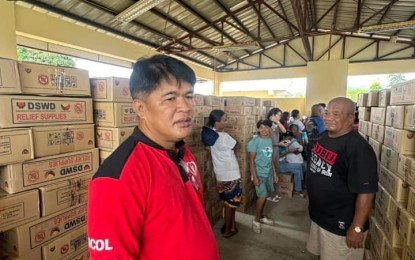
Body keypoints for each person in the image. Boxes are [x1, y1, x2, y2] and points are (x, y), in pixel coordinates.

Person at [87, 55, 219, 259]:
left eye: (189, 96)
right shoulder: (117, 178)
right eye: (170, 98)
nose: (185, 107)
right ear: (140, 108)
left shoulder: (181, 151)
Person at [306, 97, 378, 260]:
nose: (329, 117)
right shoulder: (325, 136)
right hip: (320, 218)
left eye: (336, 114)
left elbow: (366, 192)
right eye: (327, 113)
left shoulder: (358, 148)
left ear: (351, 119)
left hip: (341, 226)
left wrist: (357, 228)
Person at [201, 109, 242, 238]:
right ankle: (228, 230)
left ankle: (231, 225)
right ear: (217, 122)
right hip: (231, 175)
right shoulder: (223, 137)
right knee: (231, 204)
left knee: (227, 202)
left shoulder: (211, 135)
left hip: (220, 174)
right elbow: (238, 145)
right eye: (224, 120)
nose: (226, 122)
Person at [247, 119, 277, 234]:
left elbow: (269, 158)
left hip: (268, 172)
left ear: (270, 128)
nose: (264, 130)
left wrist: (274, 172)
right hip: (259, 173)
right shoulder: (254, 142)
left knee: (264, 197)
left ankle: (261, 216)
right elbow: (251, 161)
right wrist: (254, 177)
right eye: (261, 127)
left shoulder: (269, 140)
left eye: (266, 127)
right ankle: (256, 220)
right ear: (258, 129)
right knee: (262, 196)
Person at [266, 108, 287, 202]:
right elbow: (265, 142)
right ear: (272, 114)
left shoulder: (275, 124)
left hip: (275, 150)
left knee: (276, 172)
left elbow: (284, 131)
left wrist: (278, 122)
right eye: (278, 115)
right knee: (270, 172)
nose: (280, 117)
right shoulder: (266, 125)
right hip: (268, 151)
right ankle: (269, 195)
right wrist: (279, 144)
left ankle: (274, 193)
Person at [279, 131, 305, 198]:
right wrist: (287, 152)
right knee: (299, 166)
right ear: (283, 137)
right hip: (280, 165)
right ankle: (299, 188)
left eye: (289, 137)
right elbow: (278, 156)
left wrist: (290, 151)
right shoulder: (279, 144)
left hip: (285, 163)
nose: (288, 138)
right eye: (286, 137)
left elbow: (299, 149)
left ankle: (298, 189)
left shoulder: (286, 143)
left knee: (298, 171)